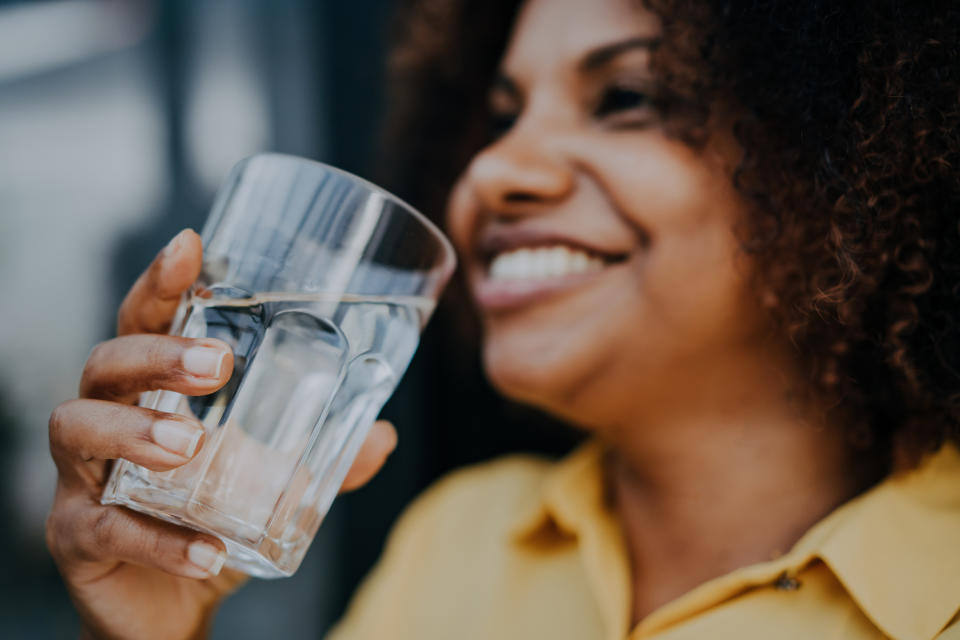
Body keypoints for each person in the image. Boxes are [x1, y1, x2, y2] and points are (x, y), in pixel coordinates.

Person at [46, 0, 960, 638]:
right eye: (500, 115)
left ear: (840, 162)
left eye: (628, 99)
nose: (489, 172)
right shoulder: (459, 536)